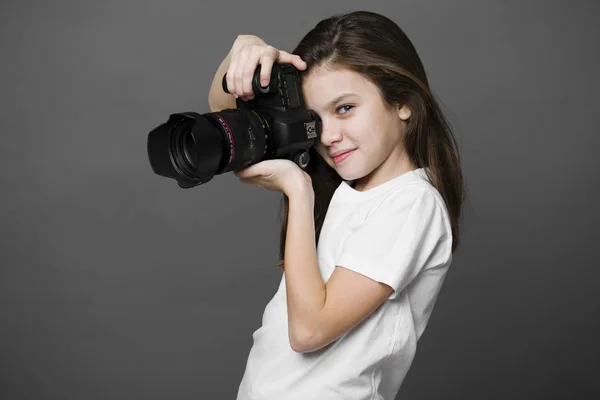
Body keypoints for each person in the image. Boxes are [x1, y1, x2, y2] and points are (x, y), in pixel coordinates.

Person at [207, 10, 465, 400]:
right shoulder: (347, 188)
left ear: (403, 104)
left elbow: (309, 330)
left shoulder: (412, 203)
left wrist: (297, 190)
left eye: (345, 108)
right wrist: (242, 54)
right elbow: (224, 120)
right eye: (315, 118)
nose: (327, 136)